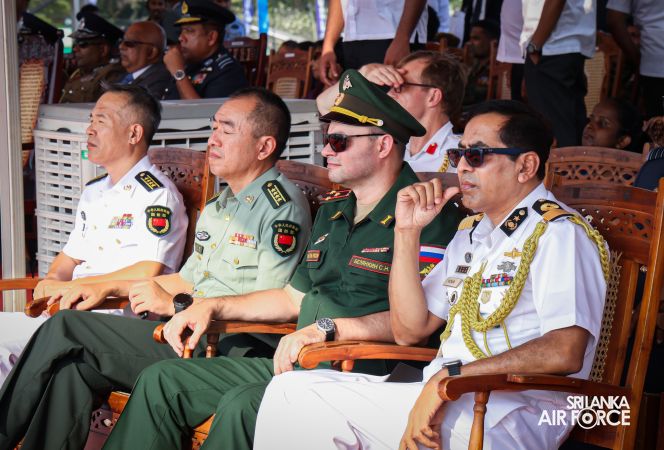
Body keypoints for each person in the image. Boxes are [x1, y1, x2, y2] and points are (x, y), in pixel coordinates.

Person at [101, 69, 462, 450]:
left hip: (361, 370)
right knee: (163, 379)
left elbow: (415, 325)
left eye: (338, 141)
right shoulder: (334, 210)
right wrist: (212, 305)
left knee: (243, 406)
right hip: (299, 360)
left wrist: (327, 329)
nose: (325, 151)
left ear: (384, 145)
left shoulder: (428, 216)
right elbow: (293, 297)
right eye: (327, 140)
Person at [254, 100, 609, 450]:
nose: (462, 167)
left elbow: (565, 350)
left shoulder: (558, 233)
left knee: (296, 400)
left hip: (506, 411)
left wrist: (449, 378)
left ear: (526, 165)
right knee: (292, 389)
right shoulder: (473, 233)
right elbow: (410, 330)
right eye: (458, 155)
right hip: (449, 396)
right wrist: (406, 232)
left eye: (477, 156)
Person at [0, 87, 311, 450]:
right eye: (213, 128)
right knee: (74, 368)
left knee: (66, 327)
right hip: (188, 334)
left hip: (227, 345)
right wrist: (109, 288)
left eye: (227, 130)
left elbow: (269, 303)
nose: (213, 140)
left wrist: (178, 306)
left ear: (264, 147)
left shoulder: (281, 208)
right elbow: (187, 279)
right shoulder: (222, 205)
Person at [0, 84, 188, 386]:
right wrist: (52, 280)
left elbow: (148, 271)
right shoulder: (94, 190)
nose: (89, 129)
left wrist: (77, 287)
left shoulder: (156, 196)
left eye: (101, 121)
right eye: (91, 120)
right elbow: (69, 257)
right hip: (70, 309)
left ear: (134, 134)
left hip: (110, 319)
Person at [318, 51, 467, 173]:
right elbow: (323, 104)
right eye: (391, 85)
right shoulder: (387, 140)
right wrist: (362, 75)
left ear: (433, 97)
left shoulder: (461, 155)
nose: (389, 93)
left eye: (400, 86)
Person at [521, 0, 596, 147]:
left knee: (553, 133)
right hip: (560, 46)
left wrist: (535, 46)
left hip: (551, 46)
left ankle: (564, 163)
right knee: (568, 127)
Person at [319, 0, 428, 85]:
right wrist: (328, 47)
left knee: (393, 103)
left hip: (393, 34)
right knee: (357, 102)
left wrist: (402, 38)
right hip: (352, 38)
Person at [163, 0, 248, 100]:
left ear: (211, 38)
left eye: (189, 31)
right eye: (181, 31)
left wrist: (178, 72)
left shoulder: (228, 72)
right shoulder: (190, 64)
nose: (181, 38)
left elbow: (200, 110)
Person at [607, 0, 664, 118]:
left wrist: (637, 58)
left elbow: (614, 19)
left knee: (658, 124)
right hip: (655, 62)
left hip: (655, 61)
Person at [59, 12, 125, 103]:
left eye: (82, 44)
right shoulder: (79, 73)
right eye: (75, 44)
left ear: (103, 50)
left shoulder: (111, 75)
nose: (75, 49)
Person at [118, 21, 173, 99]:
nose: (121, 46)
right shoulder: (120, 75)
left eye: (129, 43)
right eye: (121, 41)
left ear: (151, 52)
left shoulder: (159, 80)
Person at [463, 19, 500, 107]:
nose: (470, 43)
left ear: (493, 41)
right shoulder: (470, 64)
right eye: (470, 38)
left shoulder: (500, 69)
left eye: (476, 38)